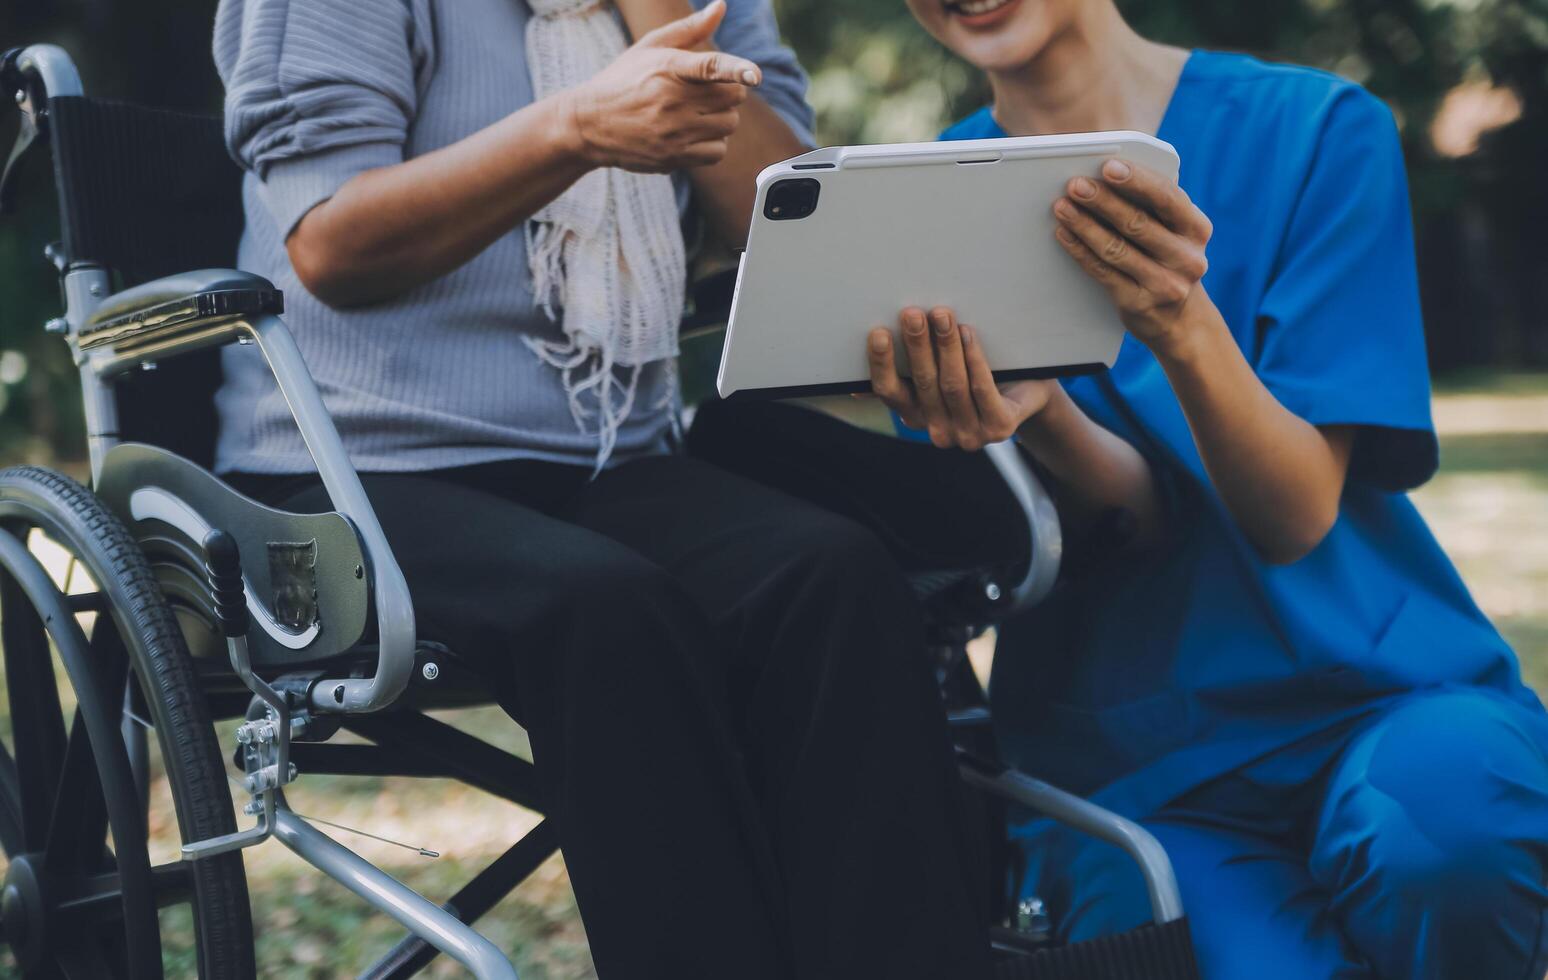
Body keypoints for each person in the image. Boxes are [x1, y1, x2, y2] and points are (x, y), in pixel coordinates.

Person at [211, 1, 990, 977]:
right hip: (350, 464)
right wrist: (573, 129)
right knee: (606, 609)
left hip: (604, 455)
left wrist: (666, 19)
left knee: (827, 575)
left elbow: (779, 219)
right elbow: (330, 244)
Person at [862, 1, 1548, 977]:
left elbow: (1295, 514)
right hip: (1133, 762)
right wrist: (1040, 414)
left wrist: (1181, 324)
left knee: (1454, 841)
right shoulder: (917, 214)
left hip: (1383, 694)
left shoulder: (1317, 129)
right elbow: (1134, 516)